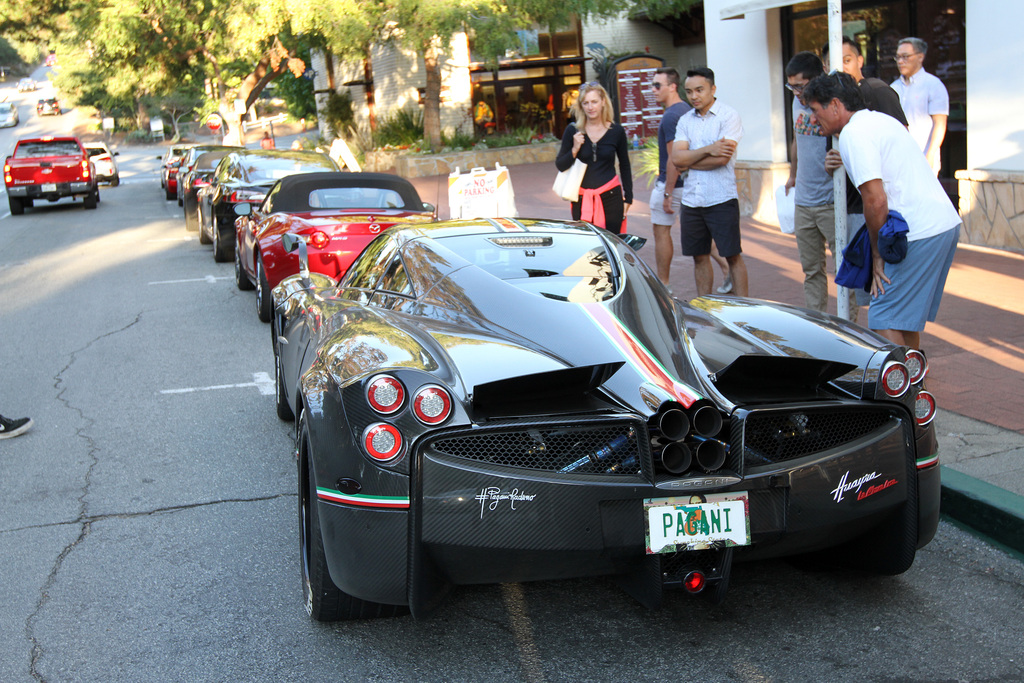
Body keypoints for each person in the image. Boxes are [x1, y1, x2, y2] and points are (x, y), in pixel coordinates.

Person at [803, 72, 960, 350]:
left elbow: (875, 201)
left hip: (919, 231)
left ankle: (902, 389)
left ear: (836, 105)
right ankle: (913, 386)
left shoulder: (854, 134)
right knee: (901, 319)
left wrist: (878, 256)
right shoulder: (879, 120)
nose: (813, 119)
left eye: (815, 110)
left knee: (882, 317)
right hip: (940, 224)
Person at [670, 67, 748, 297]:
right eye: (689, 91)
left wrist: (689, 160)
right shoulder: (685, 120)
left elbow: (723, 159)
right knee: (699, 256)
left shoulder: (729, 116)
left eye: (699, 90)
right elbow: (676, 158)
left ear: (713, 89)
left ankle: (746, 310)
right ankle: (704, 307)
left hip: (721, 196)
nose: (694, 96)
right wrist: (709, 149)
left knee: (732, 255)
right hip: (692, 200)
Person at [784, 52, 836, 313]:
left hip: (831, 200)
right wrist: (793, 175)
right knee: (811, 270)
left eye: (800, 86)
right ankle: (819, 324)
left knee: (844, 270)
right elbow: (797, 141)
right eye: (791, 86)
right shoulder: (796, 104)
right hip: (803, 201)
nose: (795, 92)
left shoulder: (834, 105)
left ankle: (847, 328)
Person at [555, 81, 633, 234]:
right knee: (586, 248)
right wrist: (575, 149)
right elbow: (560, 165)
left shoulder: (616, 131)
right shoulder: (573, 131)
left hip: (611, 196)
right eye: (586, 103)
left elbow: (625, 164)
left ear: (603, 102)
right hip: (582, 200)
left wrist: (628, 198)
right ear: (581, 106)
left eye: (594, 102)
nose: (590, 107)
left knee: (611, 246)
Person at [647, 67, 691, 286]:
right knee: (697, 234)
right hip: (688, 184)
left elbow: (674, 157)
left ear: (672, 86)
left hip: (673, 184)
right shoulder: (686, 109)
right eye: (652, 85)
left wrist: (667, 192)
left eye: (657, 85)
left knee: (661, 231)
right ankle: (726, 266)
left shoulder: (671, 115)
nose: (653, 90)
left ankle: (663, 283)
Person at [891, 37, 948, 175]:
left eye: (905, 57)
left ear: (920, 57)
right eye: (897, 57)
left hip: (924, 157)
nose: (900, 61)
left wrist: (931, 154)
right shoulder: (893, 88)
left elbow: (939, 124)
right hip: (897, 160)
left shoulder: (933, 85)